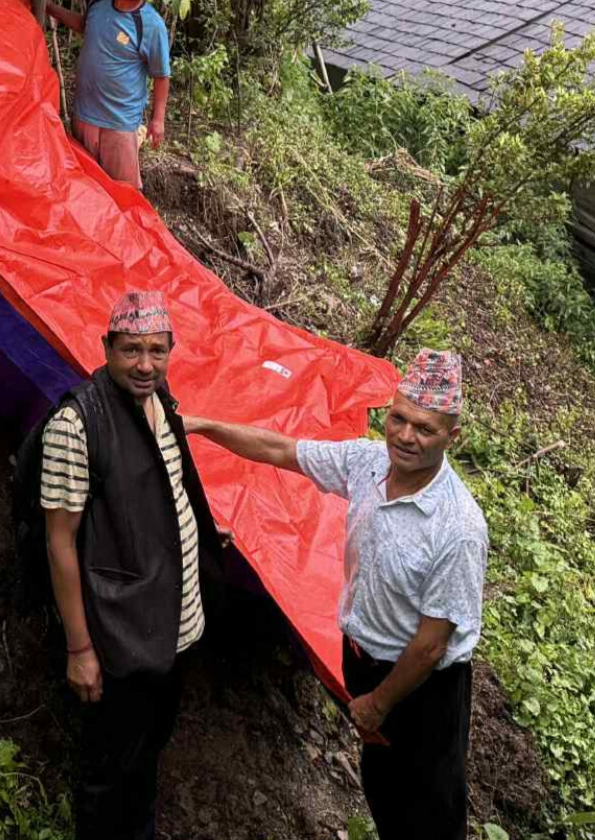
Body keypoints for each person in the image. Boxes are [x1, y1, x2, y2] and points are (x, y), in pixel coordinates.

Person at [184, 349, 487, 840]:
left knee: (429, 808)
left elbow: (432, 643)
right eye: (399, 419)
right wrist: (201, 425)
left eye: (425, 429)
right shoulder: (368, 463)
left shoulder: (458, 527)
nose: (406, 436)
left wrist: (379, 703)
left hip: (421, 686)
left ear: (454, 437)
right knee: (384, 787)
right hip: (365, 660)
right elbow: (280, 450)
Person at [39, 290, 224, 840]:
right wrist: (79, 649)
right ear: (106, 349)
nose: (145, 364)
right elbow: (60, 542)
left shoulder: (160, 402)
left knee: (147, 757)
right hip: (120, 637)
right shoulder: (76, 425)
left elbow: (164, 490)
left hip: (174, 630)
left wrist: (198, 532)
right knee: (108, 770)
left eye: (156, 350)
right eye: (131, 351)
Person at [47, 0, 171, 189]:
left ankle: (129, 225)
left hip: (118, 121)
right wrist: (50, 7)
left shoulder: (151, 25)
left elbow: (161, 75)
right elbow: (85, 25)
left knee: (123, 190)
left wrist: (158, 119)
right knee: (85, 182)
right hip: (84, 114)